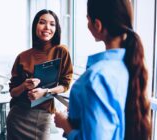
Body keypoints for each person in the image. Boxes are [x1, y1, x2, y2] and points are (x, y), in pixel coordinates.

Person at [54, 0, 151, 140]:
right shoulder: (133, 66)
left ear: (97, 25)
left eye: (88, 20)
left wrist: (65, 124)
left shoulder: (97, 78)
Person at [6, 9, 73, 140]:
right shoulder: (23, 56)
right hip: (17, 115)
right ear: (35, 26)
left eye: (52, 24)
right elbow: (13, 93)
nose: (47, 27)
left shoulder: (61, 51)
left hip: (42, 116)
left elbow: (65, 85)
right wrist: (24, 86)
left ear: (56, 28)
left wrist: (45, 91)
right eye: (42, 22)